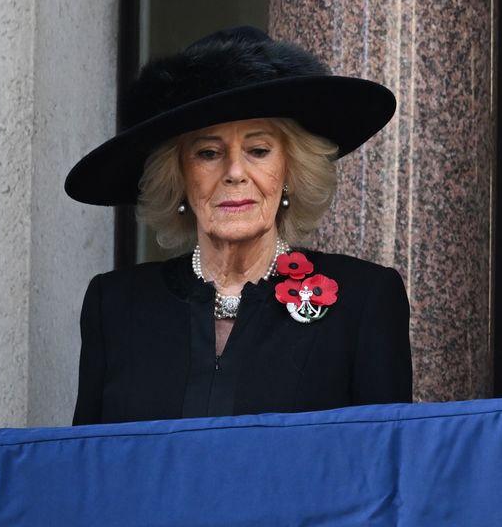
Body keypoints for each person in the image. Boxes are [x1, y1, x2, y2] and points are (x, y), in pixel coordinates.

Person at [67, 26, 412, 423]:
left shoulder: (364, 300)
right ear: (178, 177)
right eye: (208, 152)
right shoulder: (115, 306)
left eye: (258, 150)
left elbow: (387, 467)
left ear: (290, 171)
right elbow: (89, 468)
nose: (234, 173)